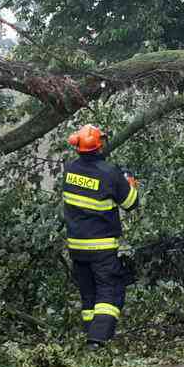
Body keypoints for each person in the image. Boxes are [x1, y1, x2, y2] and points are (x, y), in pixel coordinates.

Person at [61, 124, 139, 348]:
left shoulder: (70, 170)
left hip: (76, 246)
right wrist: (129, 183)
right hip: (102, 247)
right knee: (109, 291)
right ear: (99, 145)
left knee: (89, 295)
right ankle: (97, 341)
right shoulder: (110, 173)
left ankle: (90, 335)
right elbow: (131, 203)